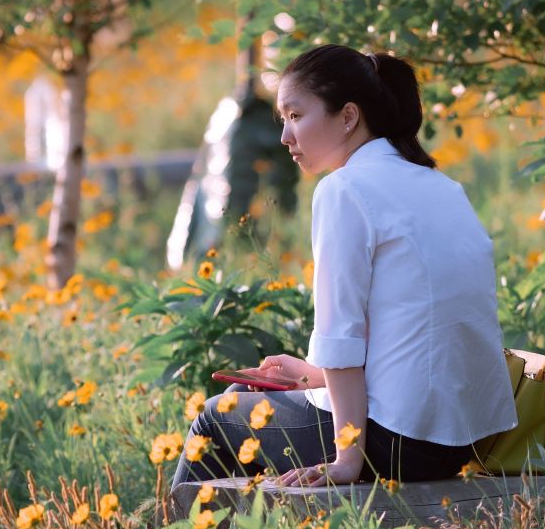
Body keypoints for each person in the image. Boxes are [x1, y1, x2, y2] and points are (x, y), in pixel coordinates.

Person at [170, 44, 518, 491]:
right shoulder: (441, 186)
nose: (284, 138)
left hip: (402, 441)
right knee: (243, 398)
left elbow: (342, 335)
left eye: (296, 116)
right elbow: (415, 332)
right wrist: (312, 377)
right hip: (470, 437)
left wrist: (345, 462)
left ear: (349, 117)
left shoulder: (345, 190)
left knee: (214, 418)